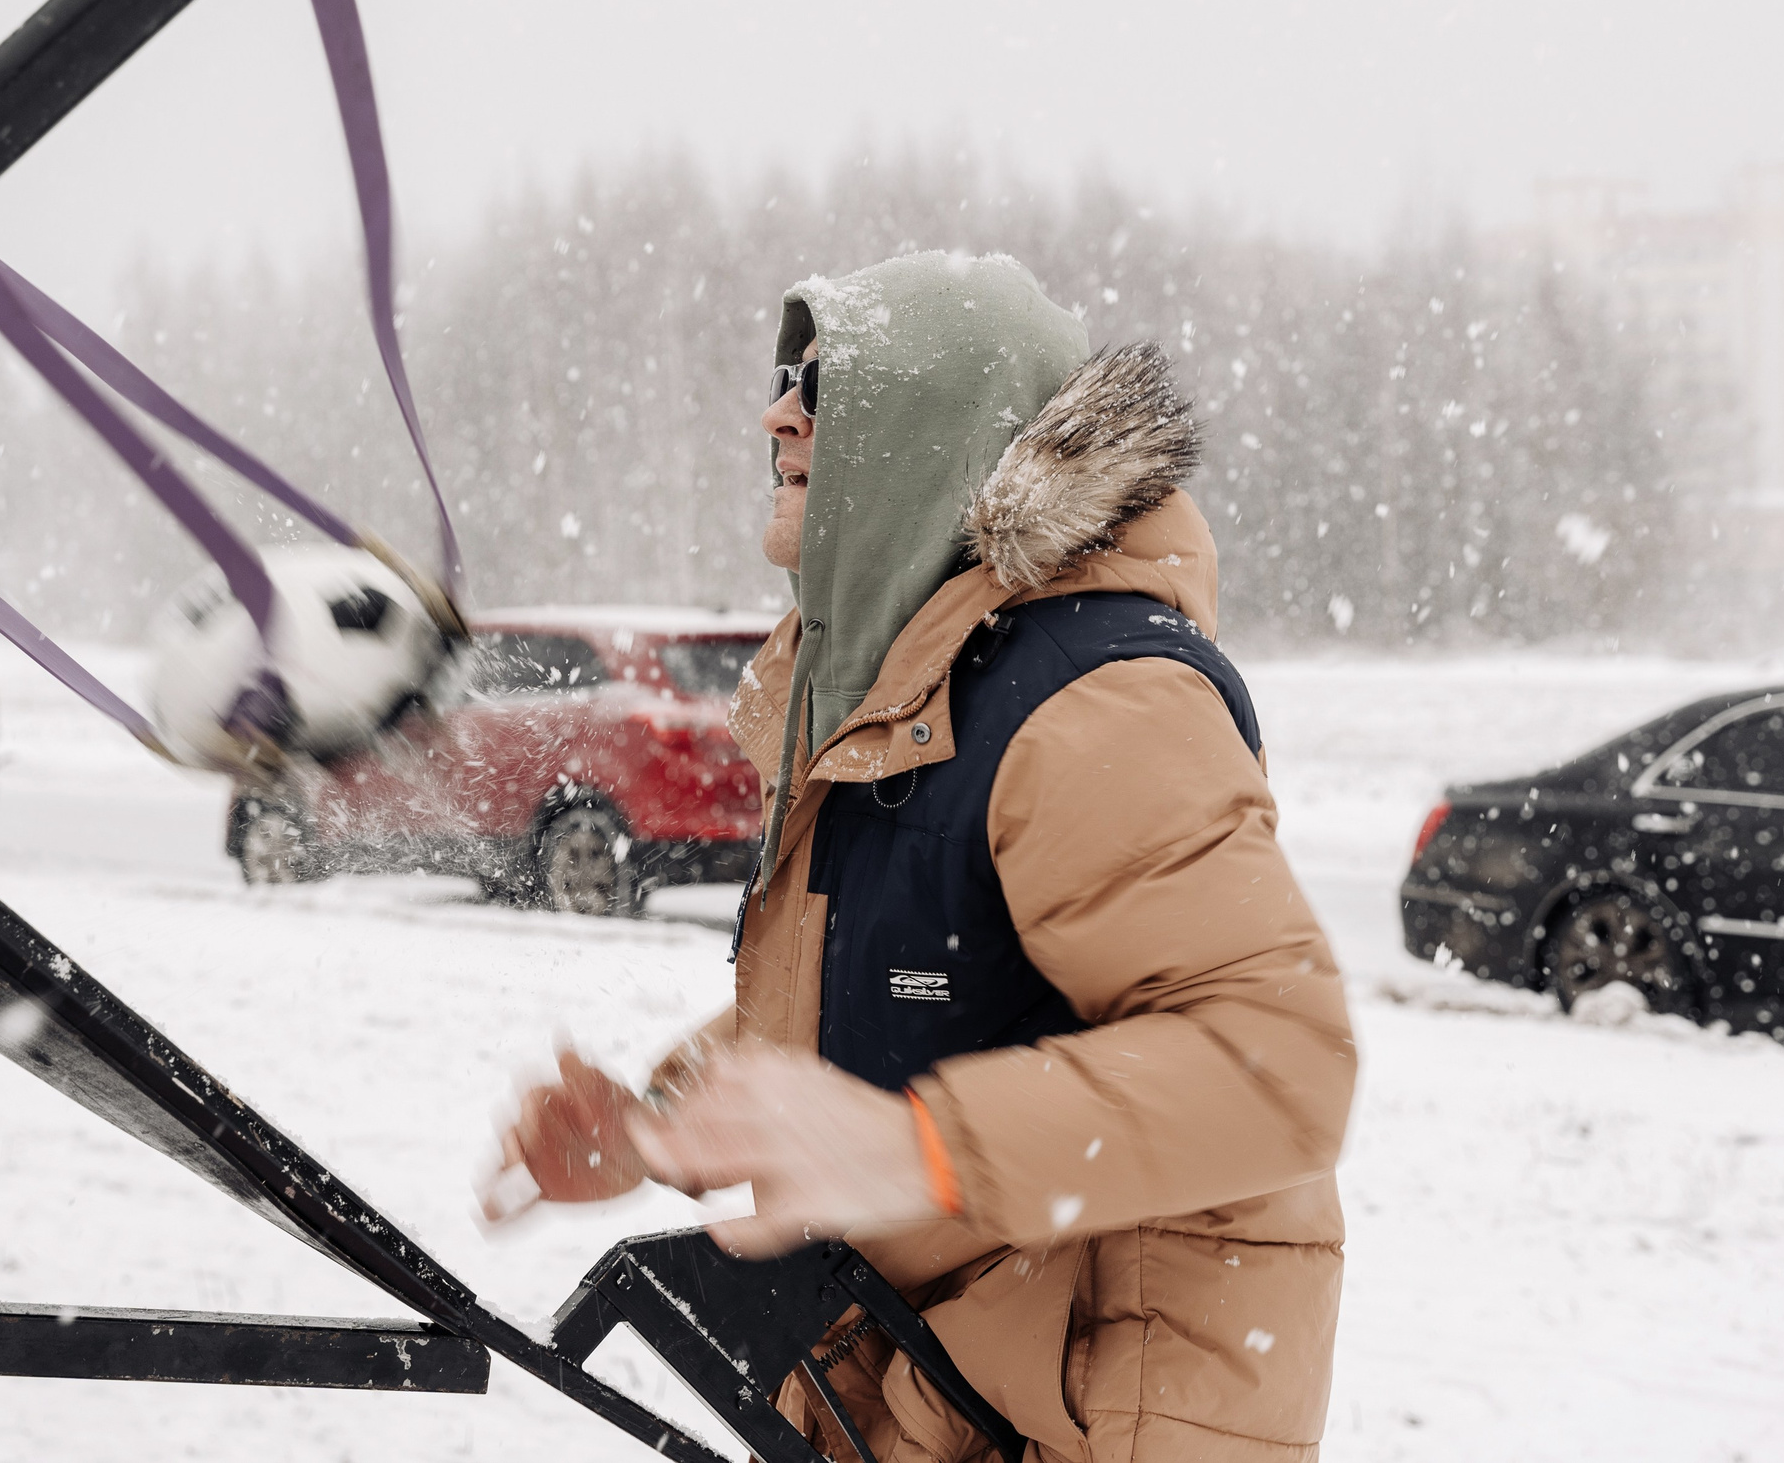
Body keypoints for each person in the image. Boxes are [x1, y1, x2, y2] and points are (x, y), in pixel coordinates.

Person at [483, 251, 1356, 1463]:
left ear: (931, 431)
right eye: (780, 379)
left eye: (820, 385)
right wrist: (658, 1130)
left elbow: (1278, 1065)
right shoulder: (911, 688)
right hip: (934, 1388)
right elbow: (896, 984)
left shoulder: (1097, 698)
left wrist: (917, 1145)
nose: (774, 413)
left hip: (1111, 1417)